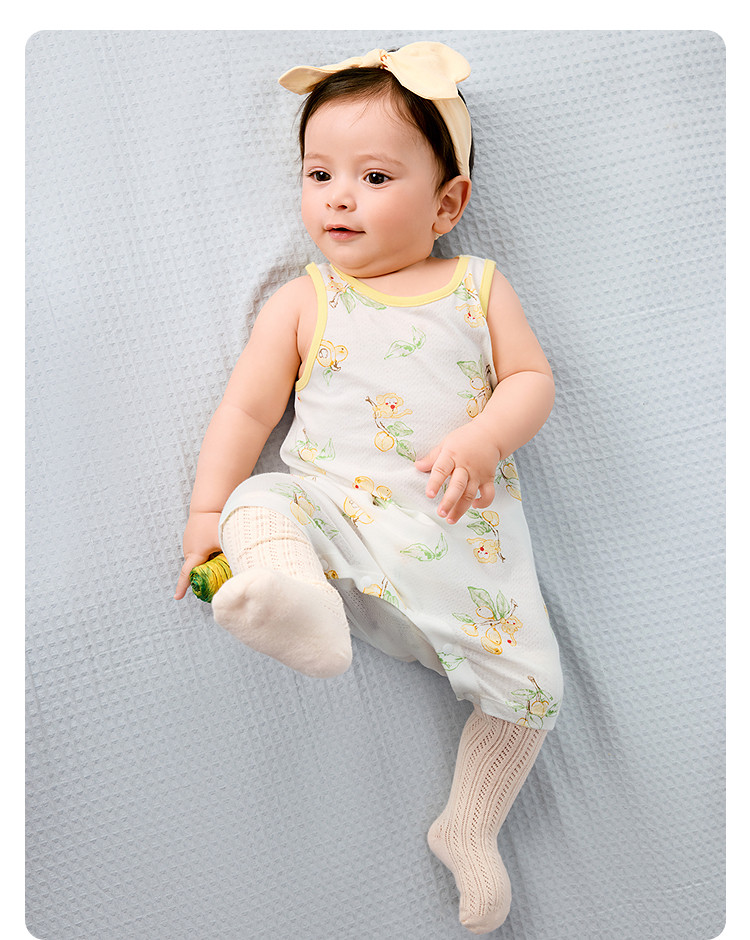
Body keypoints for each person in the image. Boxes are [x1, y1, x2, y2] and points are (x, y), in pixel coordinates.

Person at [175, 41, 563, 934]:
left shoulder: (475, 288)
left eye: (375, 177)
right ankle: (290, 596)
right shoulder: (305, 300)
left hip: (459, 550)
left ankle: (469, 826)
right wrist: (205, 513)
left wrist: (485, 435)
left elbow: (532, 381)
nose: (339, 197)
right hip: (336, 529)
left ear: (447, 203)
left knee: (536, 686)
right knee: (262, 498)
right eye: (319, 174)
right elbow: (246, 413)